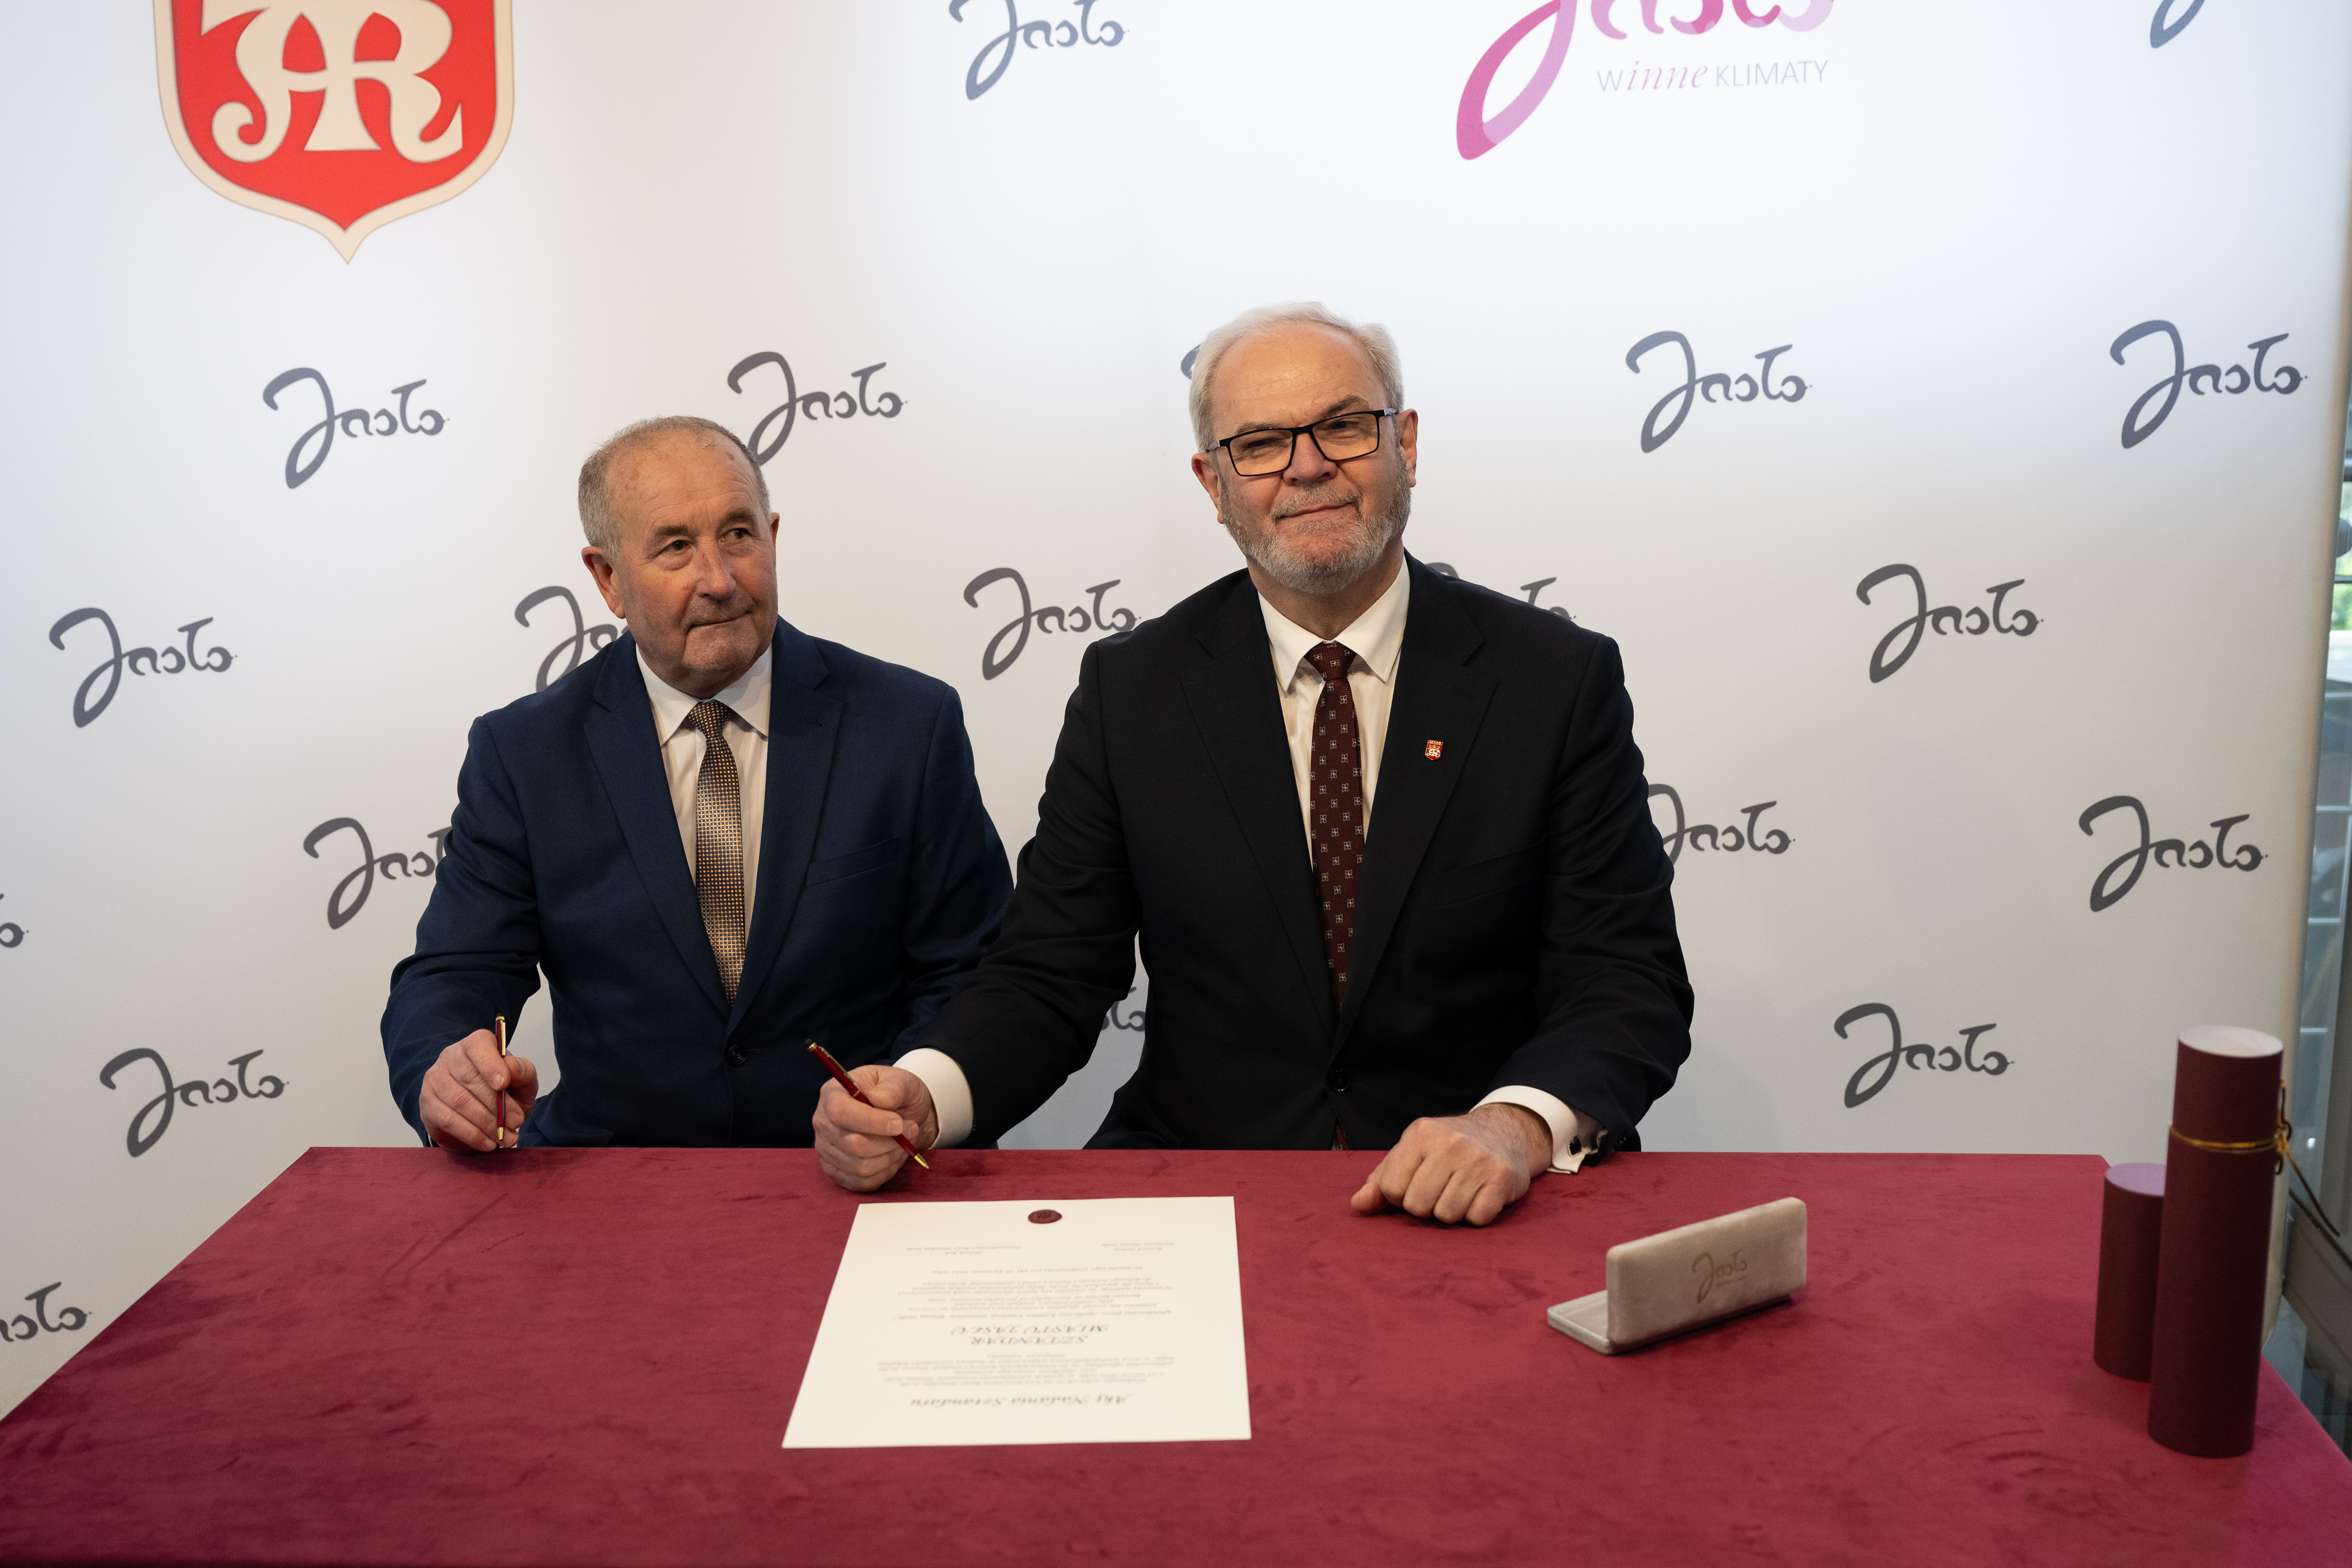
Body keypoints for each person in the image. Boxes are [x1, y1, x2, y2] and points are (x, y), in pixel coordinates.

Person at [813, 303, 1692, 1224]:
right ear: (1213, 481)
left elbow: (1623, 977)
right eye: (1261, 444)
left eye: (1344, 426)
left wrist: (1514, 1125)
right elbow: (1049, 972)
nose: (1307, 466)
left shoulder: (1552, 681)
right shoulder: (1133, 691)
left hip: (1479, 1194)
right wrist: (925, 1093)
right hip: (1198, 1179)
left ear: (1405, 443)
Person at [382, 416, 1010, 1150]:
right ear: (608, 578)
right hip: (614, 1174)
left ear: (773, 537)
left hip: (853, 1170)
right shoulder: (525, 753)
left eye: (739, 534)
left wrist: (909, 1106)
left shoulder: (907, 724)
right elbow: (457, 970)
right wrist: (447, 1071)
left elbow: (973, 970)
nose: (719, 579)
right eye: (676, 546)